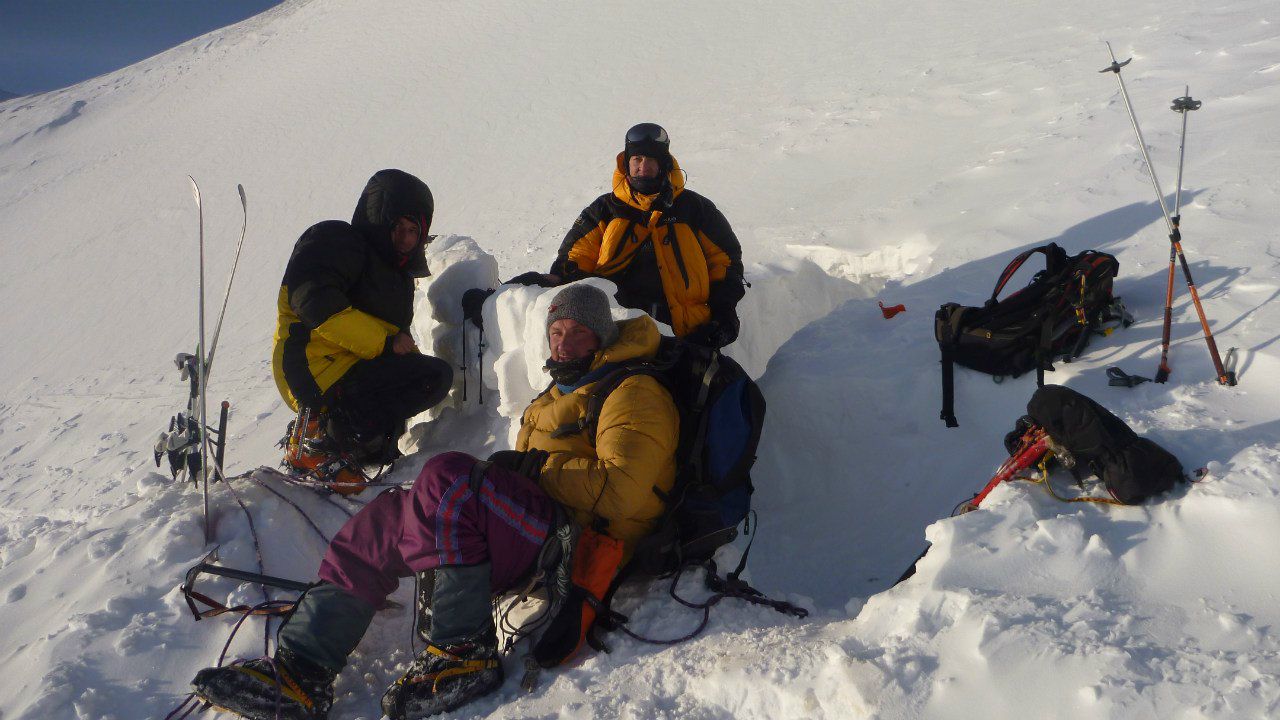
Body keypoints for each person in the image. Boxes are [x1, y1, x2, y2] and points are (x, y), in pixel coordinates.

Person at [193, 284, 680, 720]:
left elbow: (624, 491)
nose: (564, 342)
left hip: (577, 538)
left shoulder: (632, 391)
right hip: (540, 526)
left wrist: (533, 471)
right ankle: (301, 670)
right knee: (386, 518)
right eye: (557, 330)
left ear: (602, 338)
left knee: (448, 477)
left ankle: (462, 652)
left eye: (578, 333)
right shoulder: (560, 393)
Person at [273, 169, 454, 482]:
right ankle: (318, 438)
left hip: (350, 368)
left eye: (414, 230)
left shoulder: (397, 277)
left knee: (423, 383)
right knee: (429, 376)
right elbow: (313, 301)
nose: (405, 238)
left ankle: (337, 447)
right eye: (397, 226)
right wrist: (385, 342)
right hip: (311, 367)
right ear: (379, 218)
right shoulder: (335, 239)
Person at [513, 123, 746, 349]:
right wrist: (542, 281)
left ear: (664, 164)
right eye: (637, 159)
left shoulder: (694, 208)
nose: (643, 167)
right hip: (617, 332)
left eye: (651, 160)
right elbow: (574, 262)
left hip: (687, 334)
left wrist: (724, 312)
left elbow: (725, 261)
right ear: (627, 163)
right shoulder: (604, 210)